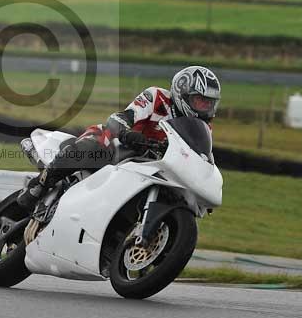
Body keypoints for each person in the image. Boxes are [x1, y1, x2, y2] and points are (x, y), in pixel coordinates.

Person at [17, 66, 221, 210]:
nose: (205, 107)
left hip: (152, 167)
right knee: (98, 144)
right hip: (120, 147)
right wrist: (126, 132)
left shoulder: (203, 128)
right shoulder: (157, 97)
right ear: (182, 92)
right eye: (200, 100)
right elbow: (122, 117)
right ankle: (40, 184)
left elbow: (201, 158)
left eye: (208, 103)